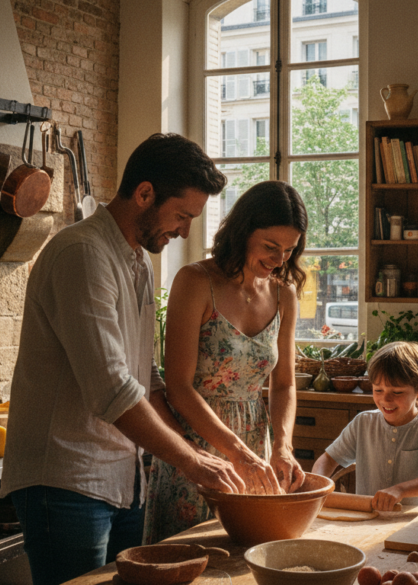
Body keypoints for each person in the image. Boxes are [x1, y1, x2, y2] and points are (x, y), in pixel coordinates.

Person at [0, 133, 244, 585]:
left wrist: (203, 456)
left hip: (123, 476)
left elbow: (144, 376)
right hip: (65, 479)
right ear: (145, 193)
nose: (186, 231)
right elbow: (112, 387)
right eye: (182, 216)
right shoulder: (82, 253)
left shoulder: (137, 262)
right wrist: (191, 461)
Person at [143, 180, 309, 544]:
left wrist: (282, 446)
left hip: (256, 448)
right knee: (186, 563)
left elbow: (283, 383)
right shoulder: (196, 281)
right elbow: (178, 387)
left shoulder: (284, 295)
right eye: (270, 246)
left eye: (289, 249)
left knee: (247, 561)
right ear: (242, 231)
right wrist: (236, 453)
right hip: (195, 447)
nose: (279, 259)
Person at [311, 341, 418, 510]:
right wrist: (316, 485)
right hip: (367, 520)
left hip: (411, 522)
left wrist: (401, 490)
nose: (385, 399)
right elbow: (327, 460)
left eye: (397, 392)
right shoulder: (362, 423)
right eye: (378, 390)